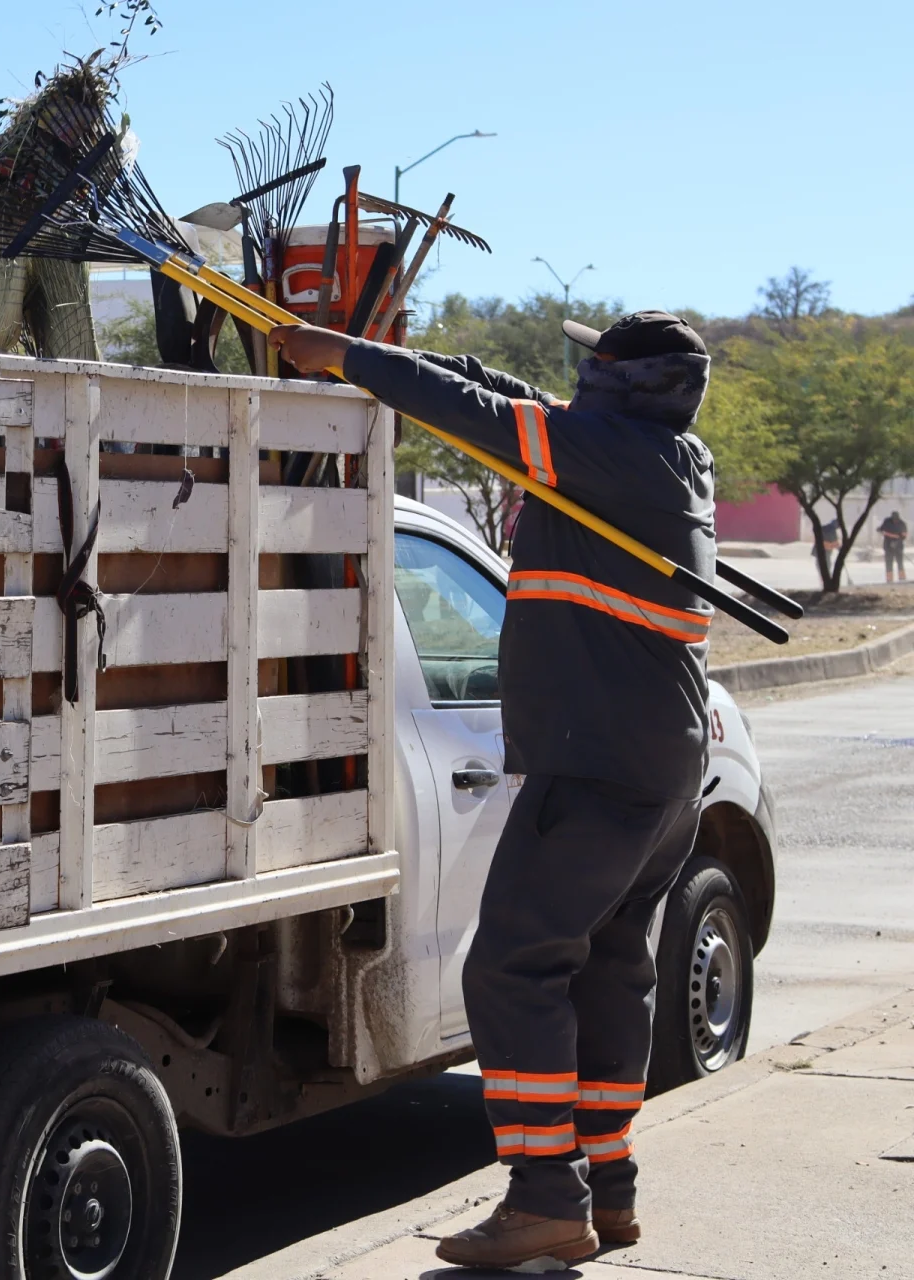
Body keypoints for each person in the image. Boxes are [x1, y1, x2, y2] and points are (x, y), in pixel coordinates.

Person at [269, 311, 715, 1270]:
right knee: (604, 968)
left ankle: (545, 1199)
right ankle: (610, 1188)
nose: (575, 373)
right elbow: (496, 392)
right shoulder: (665, 454)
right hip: (661, 766)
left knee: (509, 967)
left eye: (591, 362)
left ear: (614, 377)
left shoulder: (599, 453)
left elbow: (475, 413)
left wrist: (345, 359)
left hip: (596, 766)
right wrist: (378, 351)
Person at [881, 510, 907, 583]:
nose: (895, 520)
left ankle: (902, 578)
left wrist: (897, 541)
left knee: (900, 562)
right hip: (888, 546)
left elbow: (904, 535)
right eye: (894, 519)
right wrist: (880, 530)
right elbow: (882, 530)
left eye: (896, 519)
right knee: (889, 563)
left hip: (898, 547)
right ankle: (889, 579)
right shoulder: (887, 522)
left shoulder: (902, 523)